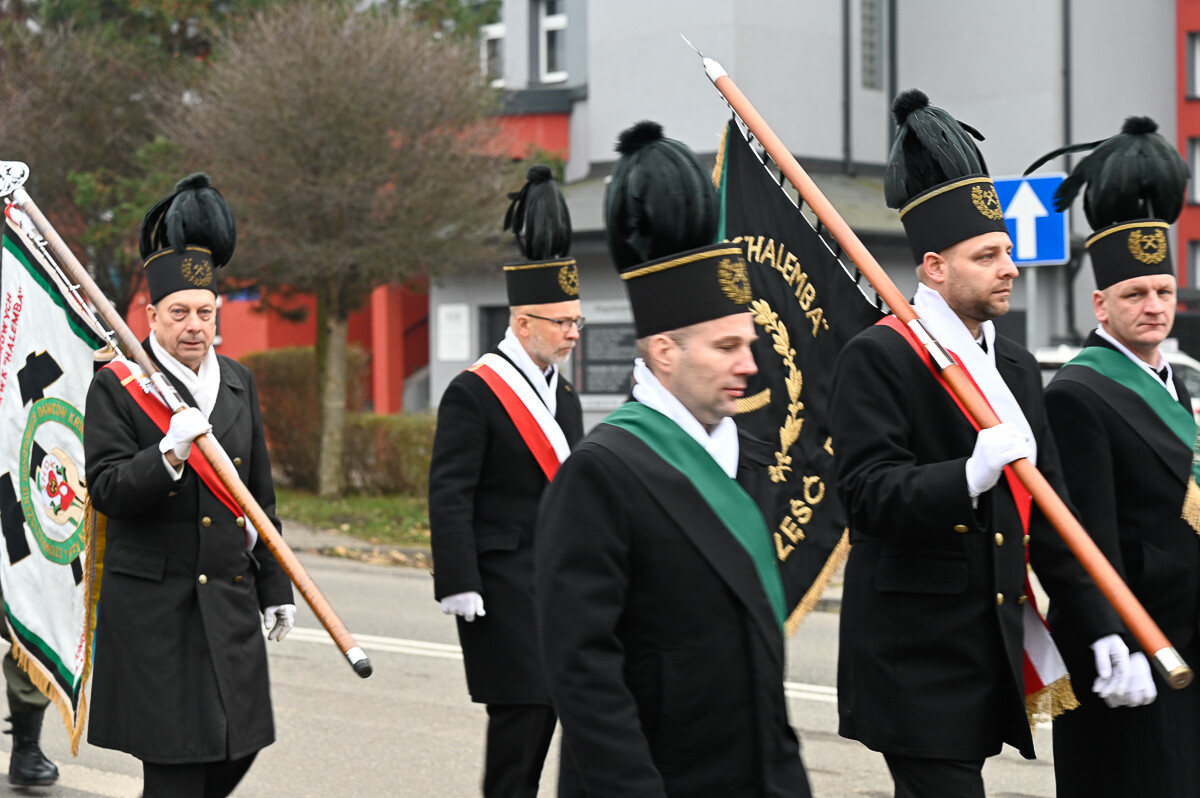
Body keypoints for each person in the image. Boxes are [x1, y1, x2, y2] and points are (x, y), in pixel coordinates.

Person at [828, 90, 1128, 798]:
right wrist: (966, 475)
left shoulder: (1016, 364)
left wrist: (1102, 626)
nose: (1009, 267)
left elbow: (1052, 515)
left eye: (1009, 251)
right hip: (911, 652)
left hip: (986, 641)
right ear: (935, 267)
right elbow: (866, 495)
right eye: (988, 254)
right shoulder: (881, 355)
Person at [535, 121, 812, 797]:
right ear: (664, 352)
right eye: (726, 347)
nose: (749, 364)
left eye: (748, 344)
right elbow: (583, 670)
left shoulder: (751, 460)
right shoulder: (601, 472)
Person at [84, 174, 295, 798]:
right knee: (176, 774)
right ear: (152, 315)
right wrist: (167, 453)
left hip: (228, 603)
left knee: (240, 748)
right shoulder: (119, 385)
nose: (195, 326)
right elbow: (108, 490)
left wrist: (275, 585)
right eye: (179, 313)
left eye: (206, 312)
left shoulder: (237, 382)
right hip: (157, 612)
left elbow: (259, 499)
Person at [1029, 117, 1199, 797]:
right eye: (1135, 294)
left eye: (1163, 291)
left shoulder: (1175, 383)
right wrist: (1115, 638)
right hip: (1132, 647)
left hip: (1186, 633)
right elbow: (1086, 536)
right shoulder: (1078, 393)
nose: (1153, 307)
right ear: (1100, 303)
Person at [428, 165, 583, 798]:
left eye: (576, 322)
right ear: (522, 324)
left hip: (558, 586)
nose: (573, 333)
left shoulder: (565, 397)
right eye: (561, 322)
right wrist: (457, 580)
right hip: (499, 588)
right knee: (521, 726)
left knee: (555, 719)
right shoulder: (474, 391)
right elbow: (450, 493)